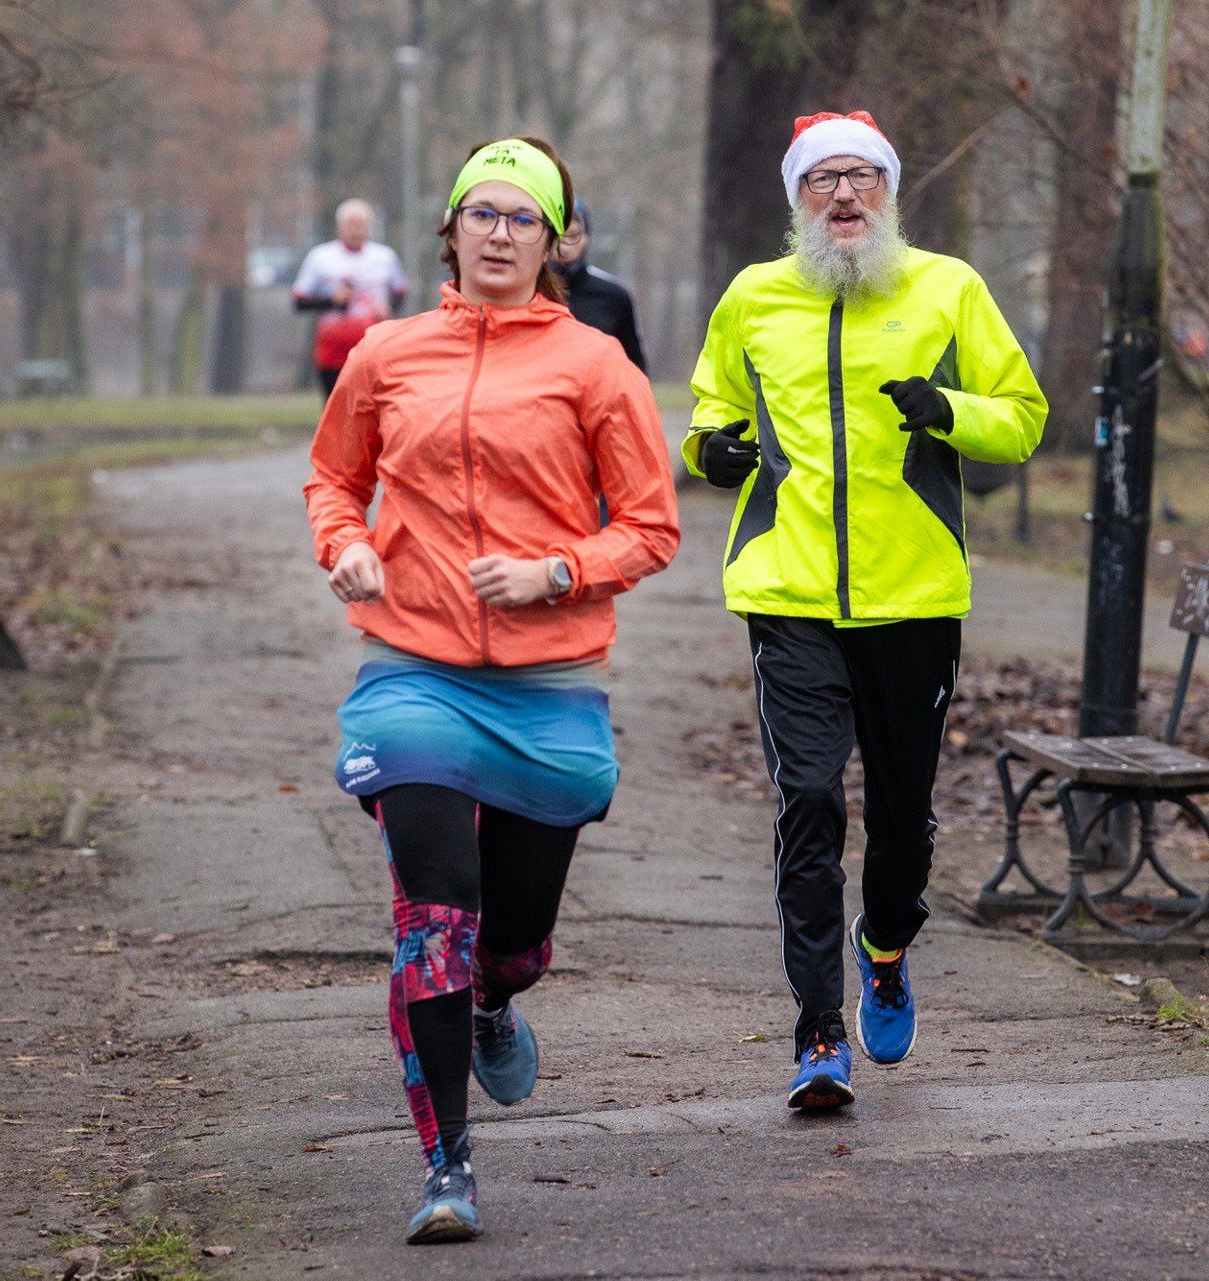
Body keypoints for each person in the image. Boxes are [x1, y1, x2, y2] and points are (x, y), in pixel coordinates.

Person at [303, 137, 679, 1244]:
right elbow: (334, 478)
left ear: (554, 240)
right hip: (412, 670)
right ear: (451, 230)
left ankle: (497, 998)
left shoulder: (596, 366)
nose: (501, 233)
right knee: (435, 915)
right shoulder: (387, 352)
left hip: (549, 683)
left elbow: (650, 525)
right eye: (483, 213)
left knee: (509, 940)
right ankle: (447, 1165)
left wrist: (556, 571)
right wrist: (345, 546)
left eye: (524, 218)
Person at [683, 111, 1046, 1111]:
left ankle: (884, 946)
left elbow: (1023, 420)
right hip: (787, 592)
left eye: (862, 177)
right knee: (807, 802)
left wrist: (948, 412)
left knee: (901, 822)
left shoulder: (949, 289)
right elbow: (712, 406)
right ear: (797, 198)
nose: (843, 194)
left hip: (914, 598)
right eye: (822, 179)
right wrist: (711, 452)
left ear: (889, 191)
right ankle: (817, 1031)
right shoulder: (753, 297)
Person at [293, 198, 410, 395]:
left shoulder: (385, 257)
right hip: (334, 350)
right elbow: (299, 302)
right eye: (350, 224)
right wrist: (332, 301)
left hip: (373, 348)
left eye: (361, 224)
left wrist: (388, 308)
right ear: (339, 226)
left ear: (369, 226)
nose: (355, 230)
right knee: (336, 406)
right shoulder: (321, 257)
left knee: (373, 404)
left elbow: (400, 293)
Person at [552, 200, 646, 372]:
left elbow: (635, 367)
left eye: (573, 235)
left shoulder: (615, 297)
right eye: (557, 234)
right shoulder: (523, 291)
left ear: (587, 239)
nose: (564, 245)